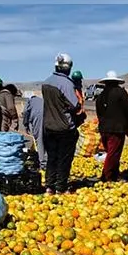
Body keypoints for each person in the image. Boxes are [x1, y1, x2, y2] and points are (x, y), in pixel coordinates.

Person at [42, 53, 84, 195]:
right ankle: (60, 187)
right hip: (64, 128)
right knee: (64, 159)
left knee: (51, 158)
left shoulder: (47, 82)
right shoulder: (66, 83)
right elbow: (75, 105)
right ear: (69, 68)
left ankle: (49, 186)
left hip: (48, 127)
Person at [95, 71, 128, 182]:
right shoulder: (121, 93)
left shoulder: (101, 96)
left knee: (112, 153)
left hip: (104, 129)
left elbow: (99, 112)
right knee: (113, 154)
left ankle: (115, 175)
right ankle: (107, 177)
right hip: (117, 129)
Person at [22, 90, 46, 172]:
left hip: (38, 120)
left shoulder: (29, 101)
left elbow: (25, 113)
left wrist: (25, 124)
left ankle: (43, 164)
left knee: (40, 140)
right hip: (49, 119)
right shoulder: (41, 100)